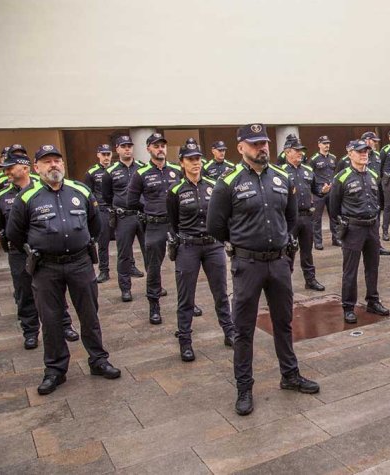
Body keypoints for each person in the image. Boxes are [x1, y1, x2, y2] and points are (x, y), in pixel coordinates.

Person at [207, 123, 319, 416]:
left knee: (283, 322)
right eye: (255, 143)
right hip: (248, 265)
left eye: (265, 143)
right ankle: (244, 388)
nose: (262, 148)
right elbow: (215, 226)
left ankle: (290, 375)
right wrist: (242, 245)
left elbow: (291, 218)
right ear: (241, 147)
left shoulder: (282, 178)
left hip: (279, 263)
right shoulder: (227, 183)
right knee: (243, 330)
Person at [6, 144, 121, 395]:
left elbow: (95, 225)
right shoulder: (26, 197)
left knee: (89, 315)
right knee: (51, 319)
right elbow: (15, 234)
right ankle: (55, 370)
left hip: (80, 263)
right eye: (46, 161)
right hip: (46, 267)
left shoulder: (80, 190)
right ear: (36, 167)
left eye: (57, 160)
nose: (53, 165)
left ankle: (98, 360)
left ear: (63, 164)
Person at [0, 151, 78, 349]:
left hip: (44, 254)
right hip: (19, 253)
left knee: (54, 291)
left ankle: (65, 325)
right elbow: (5, 228)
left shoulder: (45, 190)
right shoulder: (1, 197)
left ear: (25, 168)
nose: (6, 172)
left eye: (9, 167)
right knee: (24, 292)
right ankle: (30, 331)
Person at [167, 141, 236, 362]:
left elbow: (221, 215)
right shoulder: (175, 190)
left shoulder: (212, 185)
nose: (195, 163)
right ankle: (185, 341)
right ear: (182, 163)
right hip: (188, 246)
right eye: (190, 159)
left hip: (213, 245)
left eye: (198, 159)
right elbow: (172, 222)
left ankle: (229, 332)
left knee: (221, 292)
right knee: (186, 297)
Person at [329, 140, 390, 324]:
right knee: (350, 271)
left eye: (366, 151)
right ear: (350, 154)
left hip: (371, 227)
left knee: (373, 267)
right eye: (360, 151)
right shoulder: (341, 177)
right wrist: (344, 224)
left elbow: (380, 200)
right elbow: (333, 208)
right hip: (353, 229)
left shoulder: (373, 175)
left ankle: (373, 300)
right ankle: (348, 306)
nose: (364, 154)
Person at [127, 132, 182, 325]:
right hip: (155, 224)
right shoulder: (141, 174)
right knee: (153, 267)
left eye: (163, 146)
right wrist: (150, 209)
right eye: (156, 146)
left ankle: (187, 302)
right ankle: (154, 305)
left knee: (184, 265)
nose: (160, 149)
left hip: (176, 225)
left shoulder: (176, 170)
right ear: (148, 148)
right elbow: (132, 201)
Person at [102, 135, 146, 302]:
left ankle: (154, 285)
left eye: (129, 146)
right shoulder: (110, 172)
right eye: (123, 146)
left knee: (148, 252)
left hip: (142, 216)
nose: (127, 149)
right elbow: (107, 196)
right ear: (117, 149)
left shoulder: (142, 168)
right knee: (124, 254)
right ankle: (125, 288)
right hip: (124, 217)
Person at [282, 137, 325, 291]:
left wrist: (322, 190)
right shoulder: (281, 173)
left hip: (307, 216)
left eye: (301, 150)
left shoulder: (308, 170)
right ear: (287, 152)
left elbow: (316, 189)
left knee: (307, 251)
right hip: (290, 219)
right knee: (288, 251)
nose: (300, 153)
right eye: (297, 150)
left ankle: (310, 280)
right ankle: (285, 283)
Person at [83, 144, 115, 282]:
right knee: (103, 243)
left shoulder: (116, 169)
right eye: (104, 154)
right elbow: (89, 195)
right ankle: (104, 270)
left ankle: (130, 266)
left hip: (117, 209)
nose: (106, 157)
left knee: (125, 242)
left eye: (108, 154)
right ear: (98, 155)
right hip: (102, 210)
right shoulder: (91, 172)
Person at [309, 135, 339, 249]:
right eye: (324, 143)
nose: (327, 145)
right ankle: (318, 241)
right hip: (319, 192)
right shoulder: (314, 159)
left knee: (334, 216)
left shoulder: (333, 157)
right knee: (317, 218)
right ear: (319, 144)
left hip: (331, 191)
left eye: (328, 143)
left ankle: (336, 239)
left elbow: (335, 173)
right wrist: (314, 191)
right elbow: (310, 175)